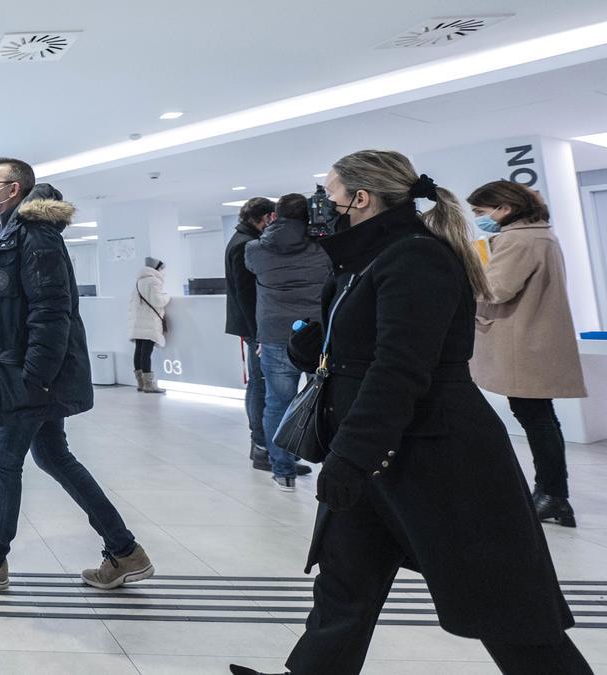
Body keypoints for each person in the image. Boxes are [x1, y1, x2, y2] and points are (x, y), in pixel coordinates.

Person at [231, 150, 590, 675]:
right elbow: (354, 346)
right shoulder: (364, 259)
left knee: (500, 601)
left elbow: (401, 369)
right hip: (376, 448)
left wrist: (352, 456)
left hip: (436, 455)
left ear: (362, 197)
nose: (320, 206)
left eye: (328, 194)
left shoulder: (415, 257)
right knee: (345, 579)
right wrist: (313, 346)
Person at [0, 157, 154, 592]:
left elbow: (51, 312)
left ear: (13, 189)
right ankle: (125, 551)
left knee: (3, 458)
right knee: (53, 456)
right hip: (23, 373)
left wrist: (33, 376)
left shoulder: (35, 238)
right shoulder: (13, 235)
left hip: (29, 377)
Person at [467, 180, 587, 527]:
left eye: (481, 211)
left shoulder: (518, 239)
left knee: (535, 417)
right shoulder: (540, 234)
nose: (480, 218)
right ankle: (552, 492)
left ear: (503, 208)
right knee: (540, 416)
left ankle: (552, 495)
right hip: (535, 336)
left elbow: (497, 289)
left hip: (524, 339)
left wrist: (468, 272)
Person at [244, 193, 329, 491]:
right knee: (326, 400)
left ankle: (283, 470)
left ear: (275, 216)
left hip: (275, 335)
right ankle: (330, 463)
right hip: (318, 334)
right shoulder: (323, 246)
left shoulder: (254, 250)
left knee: (277, 403)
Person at [226, 198, 275, 471]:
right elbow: (246, 293)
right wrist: (258, 333)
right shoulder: (245, 244)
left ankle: (262, 446)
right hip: (255, 327)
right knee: (259, 384)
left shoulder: (241, 239)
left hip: (252, 326)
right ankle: (261, 446)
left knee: (259, 383)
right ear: (266, 217)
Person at [128, 256, 170, 394]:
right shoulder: (154, 281)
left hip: (139, 320)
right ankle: (149, 385)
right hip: (150, 321)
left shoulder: (138, 281)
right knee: (147, 352)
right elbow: (158, 301)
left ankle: (140, 383)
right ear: (156, 268)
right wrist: (167, 296)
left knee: (139, 350)